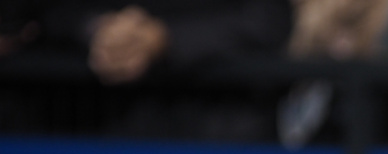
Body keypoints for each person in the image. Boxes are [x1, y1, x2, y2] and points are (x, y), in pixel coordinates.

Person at [40, 0, 292, 84]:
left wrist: (165, 38)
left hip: (219, 122)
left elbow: (267, 21)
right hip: (77, 119)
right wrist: (99, 28)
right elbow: (49, 12)